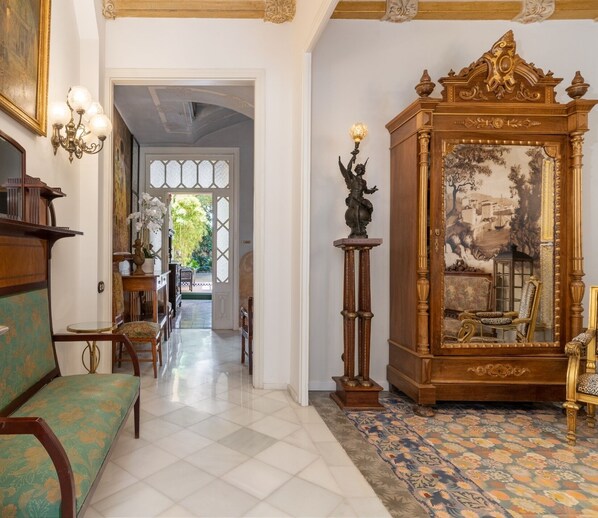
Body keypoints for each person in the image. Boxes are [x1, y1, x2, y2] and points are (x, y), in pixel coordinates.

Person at [338, 153, 378, 238]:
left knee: (370, 206)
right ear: (356, 170)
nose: (360, 170)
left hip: (360, 198)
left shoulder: (363, 182)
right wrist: (353, 157)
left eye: (361, 169)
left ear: (363, 171)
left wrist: (372, 190)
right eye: (359, 168)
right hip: (353, 198)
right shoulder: (353, 178)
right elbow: (348, 169)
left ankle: (368, 218)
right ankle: (358, 230)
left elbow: (366, 191)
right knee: (357, 207)